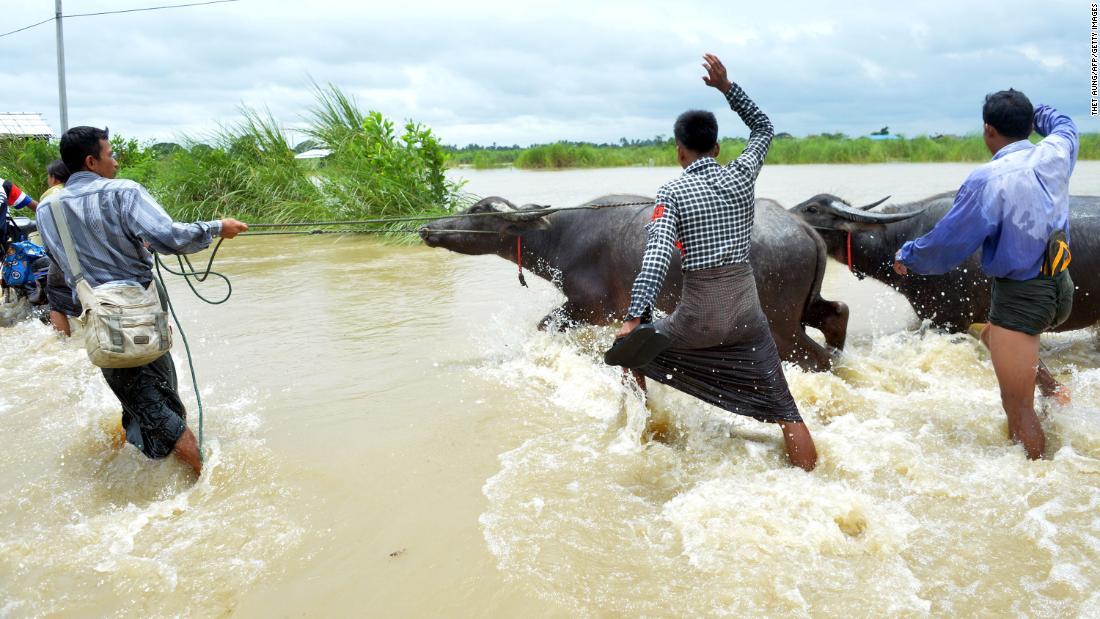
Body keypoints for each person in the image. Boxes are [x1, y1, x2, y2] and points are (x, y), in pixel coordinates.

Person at [616, 54, 817, 471]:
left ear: (679, 152)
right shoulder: (742, 175)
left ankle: (642, 436)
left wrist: (634, 318)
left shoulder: (671, 193)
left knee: (626, 352)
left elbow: (655, 257)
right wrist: (727, 87)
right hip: (747, 315)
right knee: (787, 411)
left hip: (697, 319)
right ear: (717, 147)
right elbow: (764, 128)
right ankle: (812, 483)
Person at [36, 126, 249, 476]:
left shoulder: (48, 209)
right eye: (110, 154)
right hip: (143, 305)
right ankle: (206, 481)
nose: (116, 161)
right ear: (91, 161)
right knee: (160, 396)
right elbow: (168, 237)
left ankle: (150, 466)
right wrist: (216, 227)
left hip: (101, 314)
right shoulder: (124, 191)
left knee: (141, 399)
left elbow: (60, 267)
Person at [894, 90, 1077, 460]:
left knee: (1017, 408)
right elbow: (1062, 121)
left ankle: (1033, 480)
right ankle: (1056, 395)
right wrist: (1028, 113)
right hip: (1062, 286)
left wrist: (907, 256)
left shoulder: (987, 180)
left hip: (1022, 296)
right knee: (990, 334)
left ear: (988, 130)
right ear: (1029, 125)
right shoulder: (1058, 149)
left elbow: (947, 245)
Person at [38, 159, 81, 335]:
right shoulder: (80, 192)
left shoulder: (48, 199)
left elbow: (48, 241)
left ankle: (64, 342)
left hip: (64, 259)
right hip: (92, 257)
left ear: (54, 178)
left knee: (55, 295)